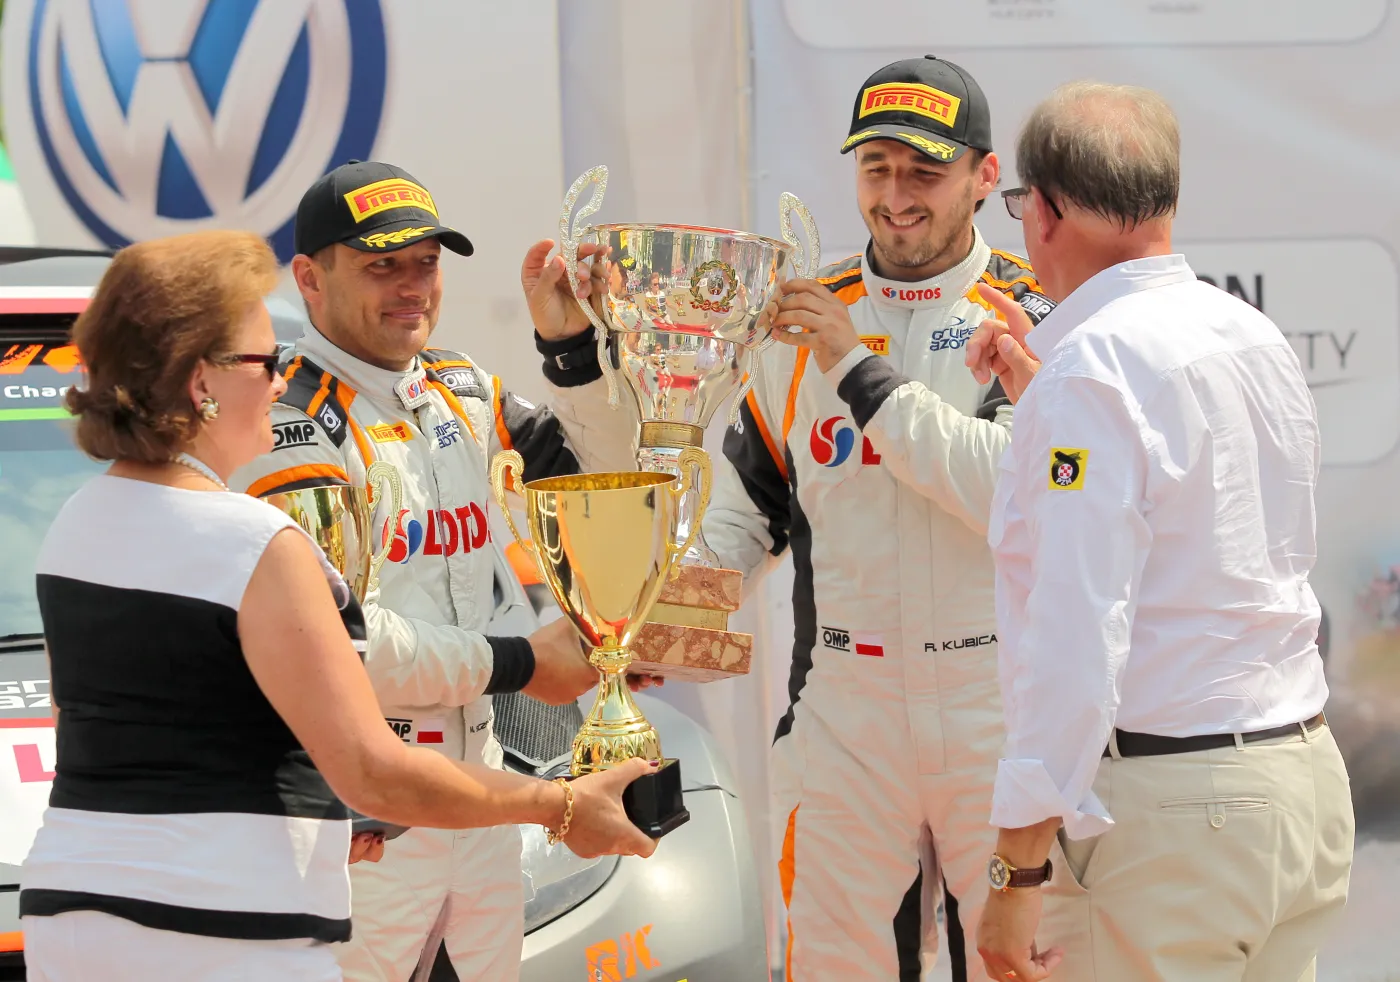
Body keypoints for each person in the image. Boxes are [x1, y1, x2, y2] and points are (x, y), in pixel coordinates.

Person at [529, 56, 1056, 982]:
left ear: (982, 177)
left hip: (1001, 699)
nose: (896, 198)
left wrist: (856, 365)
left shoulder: (1035, 310)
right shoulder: (799, 317)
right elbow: (744, 517)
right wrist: (651, 628)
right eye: (876, 169)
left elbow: (1013, 499)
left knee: (1027, 966)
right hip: (846, 704)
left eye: (924, 174)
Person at [19, 231, 656, 982]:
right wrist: (562, 807)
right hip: (228, 934)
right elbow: (374, 773)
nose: (283, 377)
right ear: (202, 382)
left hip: (78, 920)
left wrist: (311, 808)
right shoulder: (260, 544)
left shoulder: (77, 523)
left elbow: (112, 729)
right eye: (267, 361)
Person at [967, 82, 1354, 982]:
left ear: (1046, 214)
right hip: (1298, 784)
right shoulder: (1249, 334)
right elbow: (1196, 521)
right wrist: (1049, 397)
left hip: (1170, 823)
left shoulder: (1089, 374)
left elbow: (1075, 633)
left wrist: (1015, 866)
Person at [228, 161, 640, 982]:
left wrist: (569, 351)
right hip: (359, 808)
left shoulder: (464, 391)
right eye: (383, 264)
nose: (412, 286)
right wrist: (523, 662)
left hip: (478, 796)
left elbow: (608, 494)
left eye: (426, 262)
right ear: (309, 277)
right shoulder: (286, 422)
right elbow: (336, 644)